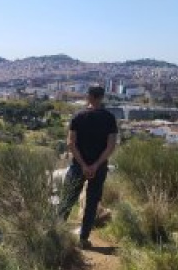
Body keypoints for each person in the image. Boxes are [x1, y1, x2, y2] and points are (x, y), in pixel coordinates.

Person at [58, 86, 118, 249]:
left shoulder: (78, 116)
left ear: (89, 96)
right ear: (102, 97)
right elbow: (111, 146)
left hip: (78, 166)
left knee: (67, 199)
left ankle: (56, 232)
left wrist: (84, 165)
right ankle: (83, 239)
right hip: (99, 168)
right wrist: (96, 165)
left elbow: (71, 143)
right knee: (92, 203)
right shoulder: (109, 118)